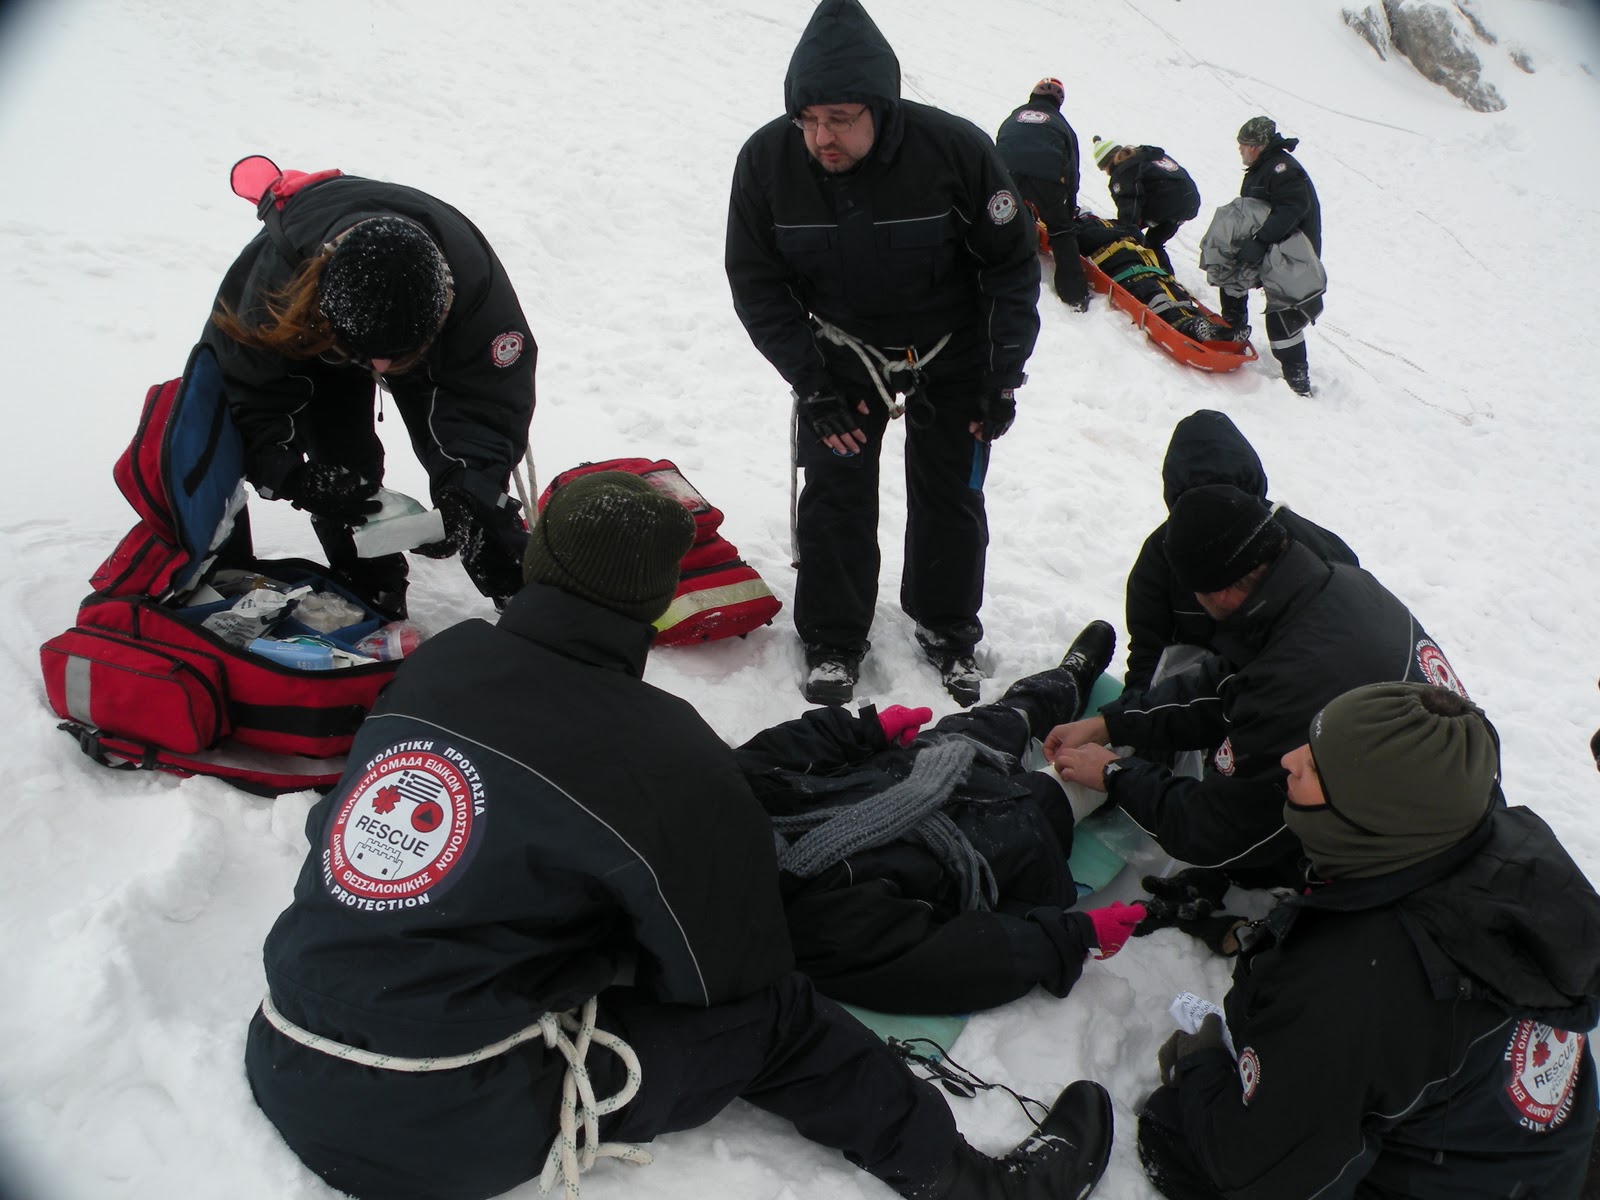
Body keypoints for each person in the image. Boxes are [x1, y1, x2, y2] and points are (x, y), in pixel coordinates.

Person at [244, 470, 1115, 1200]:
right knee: (777, 1018)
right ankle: (978, 1188)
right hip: (442, 1117)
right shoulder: (658, 750)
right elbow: (725, 976)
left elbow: (343, 825)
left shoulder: (443, 659)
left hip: (285, 1043)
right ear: (657, 606)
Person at [1136, 682, 1600, 1200]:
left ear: (1370, 817)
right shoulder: (1481, 838)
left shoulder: (1354, 987)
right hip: (1531, 1155)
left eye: (1314, 767)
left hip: (1451, 1180)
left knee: (1171, 1129)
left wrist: (1201, 1067)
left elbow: (1254, 1170)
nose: (1289, 759)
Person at [725, 0, 1042, 709]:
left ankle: (945, 625)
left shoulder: (953, 152)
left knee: (952, 490)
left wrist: (1001, 375)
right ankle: (834, 637)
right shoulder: (768, 162)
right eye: (808, 120)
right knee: (835, 491)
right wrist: (810, 384)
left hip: (951, 349)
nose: (820, 137)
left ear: (880, 105)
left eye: (839, 119)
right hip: (840, 353)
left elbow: (1010, 264)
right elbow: (757, 282)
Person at [1047, 483, 1467, 890]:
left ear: (1223, 592)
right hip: (1445, 790)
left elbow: (1217, 833)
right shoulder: (1337, 585)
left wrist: (1113, 775)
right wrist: (1112, 724)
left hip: (1418, 868)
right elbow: (1229, 683)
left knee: (1255, 861)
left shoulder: (1293, 684)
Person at [738, 619, 1147, 1015]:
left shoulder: (717, 803)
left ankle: (1068, 679)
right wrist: (1069, 939)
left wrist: (862, 732)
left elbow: (761, 759)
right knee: (1078, 778)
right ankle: (1144, 738)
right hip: (989, 837)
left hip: (917, 768)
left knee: (1006, 716)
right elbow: (952, 962)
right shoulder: (819, 928)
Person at [205, 164, 537, 616]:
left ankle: (517, 590)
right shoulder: (272, 289)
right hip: (317, 330)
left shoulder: (477, 294)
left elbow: (488, 400)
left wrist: (468, 485)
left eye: (395, 358)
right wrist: (292, 476)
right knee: (338, 455)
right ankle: (369, 582)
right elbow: (244, 394)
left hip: (429, 328)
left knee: (473, 488)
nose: (381, 370)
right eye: (370, 358)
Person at [1121, 409, 1358, 701]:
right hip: (1192, 705)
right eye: (1195, 506)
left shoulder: (1315, 550)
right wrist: (1135, 720)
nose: (1213, 519)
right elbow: (1148, 650)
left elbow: (1343, 653)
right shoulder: (1161, 555)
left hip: (1289, 699)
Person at [1213, 116, 1323, 395]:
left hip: (1291, 254)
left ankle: (1298, 383)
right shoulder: (1263, 168)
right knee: (1233, 276)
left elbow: (1292, 208)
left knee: (1282, 315)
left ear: (1257, 146)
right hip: (1271, 244)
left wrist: (1260, 240)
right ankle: (1234, 328)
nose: (1240, 150)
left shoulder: (1282, 169)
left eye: (1243, 145)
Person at [995, 77, 1090, 309]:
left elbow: (1000, 146)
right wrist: (1068, 211)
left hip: (1007, 174)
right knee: (1061, 231)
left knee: (1004, 219)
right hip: (1048, 180)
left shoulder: (1013, 117)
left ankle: (997, 269)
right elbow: (1071, 169)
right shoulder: (1061, 125)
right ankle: (1074, 296)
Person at [1070, 214, 1220, 343]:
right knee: (1166, 291)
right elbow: (1137, 234)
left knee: (1155, 293)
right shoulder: (1120, 225)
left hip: (1125, 265)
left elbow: (1074, 242)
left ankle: (1199, 327)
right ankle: (1195, 325)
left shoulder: (1078, 228)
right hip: (1139, 262)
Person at [1088, 137, 1201, 277]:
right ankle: (1168, 278)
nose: (1106, 172)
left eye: (1103, 168)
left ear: (1108, 163)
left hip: (1167, 205)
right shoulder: (1145, 154)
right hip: (1189, 201)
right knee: (1154, 243)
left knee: (1133, 235)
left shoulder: (1124, 170)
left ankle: (1148, 276)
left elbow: (1130, 203)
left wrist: (1126, 231)